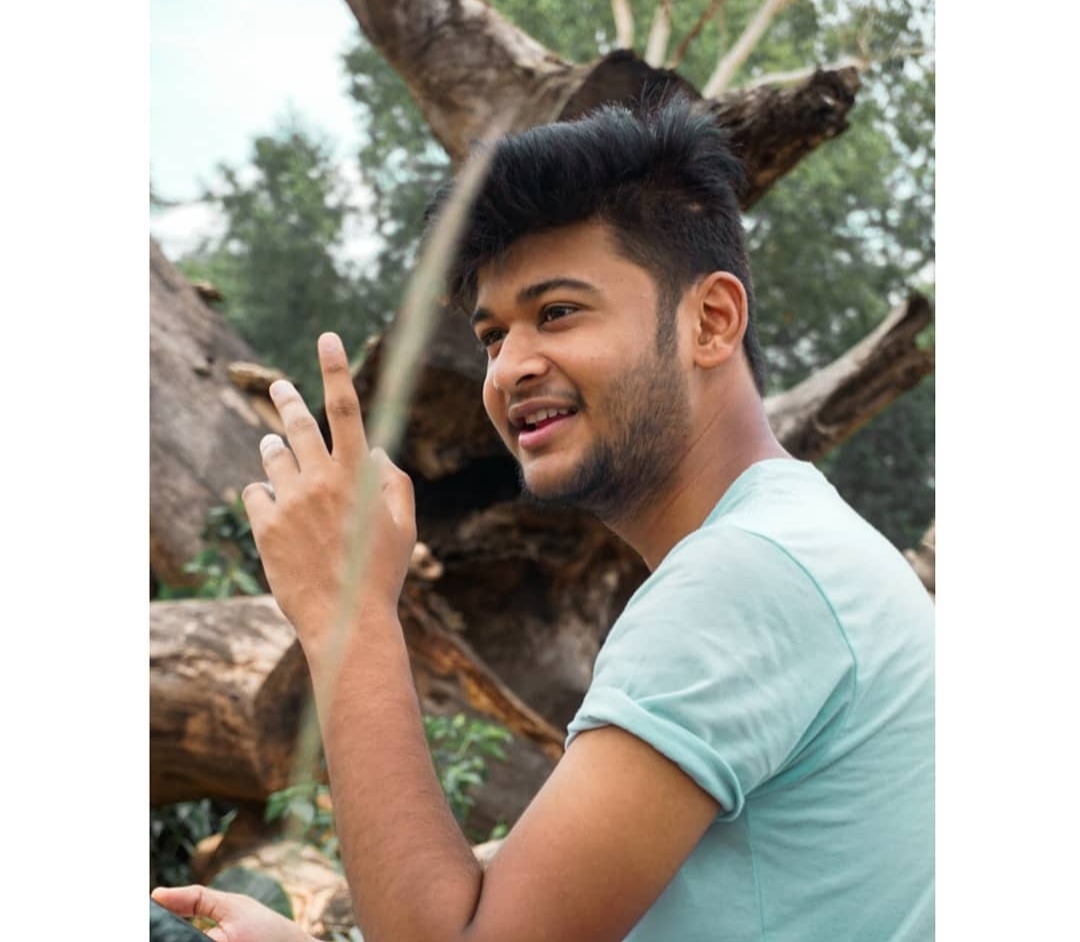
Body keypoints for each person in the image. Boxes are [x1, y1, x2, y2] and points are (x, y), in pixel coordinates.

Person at [152, 97, 934, 942]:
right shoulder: (796, 542)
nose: (510, 368)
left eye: (557, 312)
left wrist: (349, 614)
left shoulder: (747, 575)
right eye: (492, 336)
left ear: (710, 321)